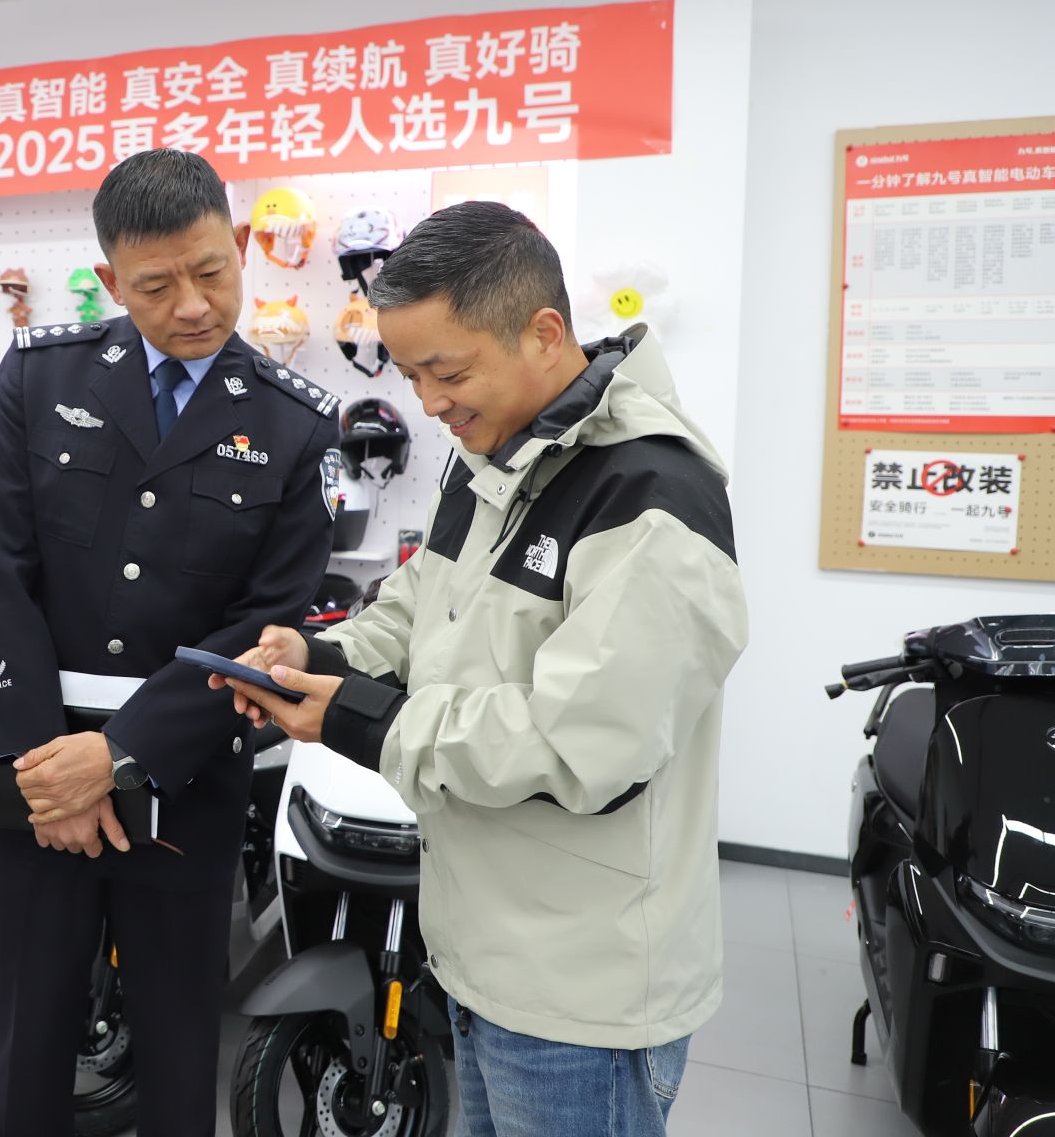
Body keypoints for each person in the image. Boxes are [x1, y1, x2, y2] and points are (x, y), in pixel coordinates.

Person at [218, 200, 748, 1135]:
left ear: (544, 333)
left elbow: (579, 745)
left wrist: (357, 718)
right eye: (412, 375)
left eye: (448, 372)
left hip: (580, 990)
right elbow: (426, 601)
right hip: (476, 948)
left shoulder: (651, 500)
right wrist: (324, 654)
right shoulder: (494, 452)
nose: (429, 403)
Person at [0, 149, 342, 1137]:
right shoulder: (40, 377)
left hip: (186, 771)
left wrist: (120, 755)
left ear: (242, 245)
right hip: (38, 763)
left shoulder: (294, 424)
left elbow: (270, 620)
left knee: (179, 1038)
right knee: (28, 1032)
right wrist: (48, 769)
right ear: (109, 278)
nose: (193, 306)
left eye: (212, 270)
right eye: (156, 285)